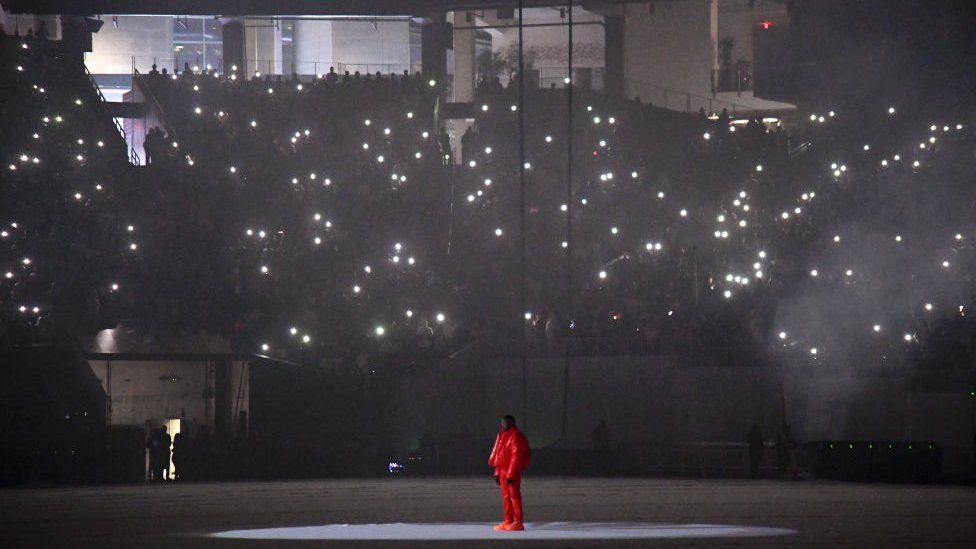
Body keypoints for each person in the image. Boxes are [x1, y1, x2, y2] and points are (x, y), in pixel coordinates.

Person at [488, 414, 530, 531]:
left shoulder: (515, 436)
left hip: (511, 470)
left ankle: (518, 522)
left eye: (505, 423)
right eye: (502, 423)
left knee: (514, 496)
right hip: (503, 470)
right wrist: (497, 473)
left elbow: (516, 457)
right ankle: (508, 520)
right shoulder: (502, 435)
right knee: (506, 497)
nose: (502, 425)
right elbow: (499, 456)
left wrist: (511, 474)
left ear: (511, 423)